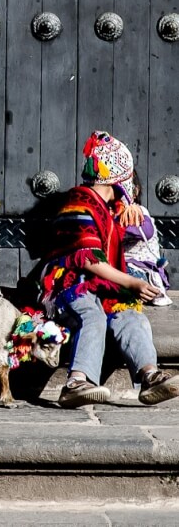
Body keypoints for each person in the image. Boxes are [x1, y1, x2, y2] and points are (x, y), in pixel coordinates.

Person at [39, 130, 179, 407]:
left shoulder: (108, 208)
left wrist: (130, 213)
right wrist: (132, 283)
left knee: (130, 316)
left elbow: (142, 230)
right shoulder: (78, 203)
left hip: (104, 288)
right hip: (70, 285)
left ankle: (149, 375)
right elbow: (88, 259)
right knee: (91, 316)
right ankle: (76, 381)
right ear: (120, 179)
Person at [120, 170, 171, 307]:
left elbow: (146, 231)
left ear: (134, 192)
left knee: (130, 276)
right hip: (120, 266)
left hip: (142, 267)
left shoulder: (139, 211)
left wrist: (117, 226)